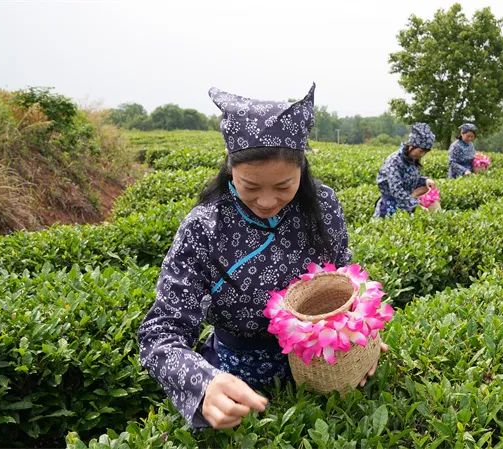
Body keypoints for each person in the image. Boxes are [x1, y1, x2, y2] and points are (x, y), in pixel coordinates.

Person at [138, 84, 387, 430]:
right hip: (237, 382)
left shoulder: (323, 205)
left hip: (321, 369)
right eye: (250, 187)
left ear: (302, 168)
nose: (268, 201)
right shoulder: (205, 227)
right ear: (230, 171)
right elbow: (160, 332)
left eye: (284, 186)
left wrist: (361, 342)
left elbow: (344, 284)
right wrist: (203, 384)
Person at [373, 123, 437, 218]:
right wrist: (416, 206)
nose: (422, 155)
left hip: (407, 206)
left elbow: (409, 180)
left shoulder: (412, 160)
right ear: (412, 146)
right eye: (420, 151)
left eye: (425, 152)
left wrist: (425, 181)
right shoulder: (394, 161)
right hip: (390, 207)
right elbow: (396, 189)